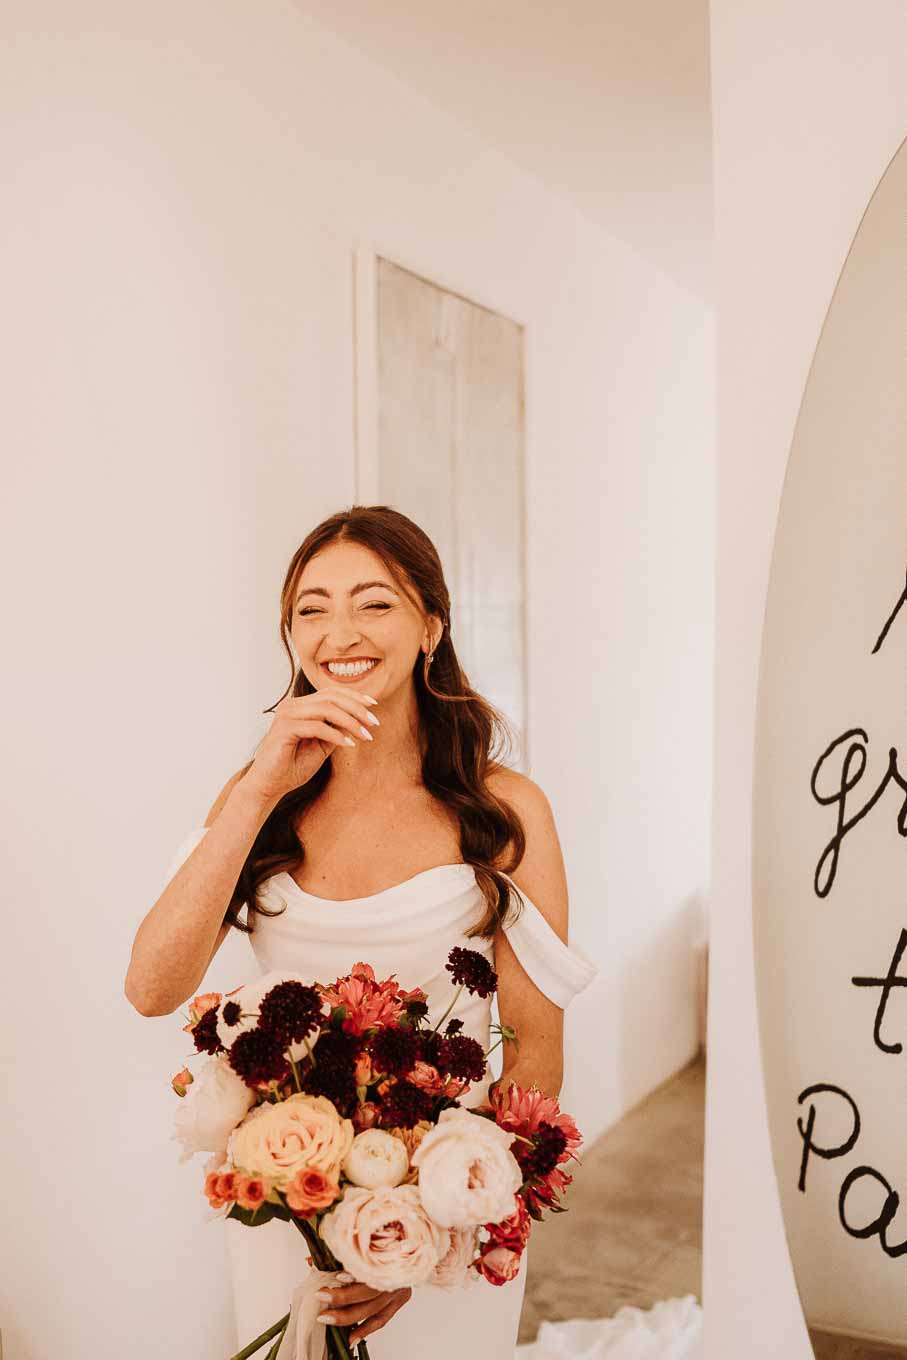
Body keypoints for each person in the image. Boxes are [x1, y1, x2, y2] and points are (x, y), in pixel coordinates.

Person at [125, 504, 598, 1358]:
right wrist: (257, 791)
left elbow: (536, 1048)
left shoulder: (503, 808)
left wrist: (424, 1232)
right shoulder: (258, 795)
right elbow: (151, 988)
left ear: (431, 626)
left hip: (449, 1206)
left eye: (374, 603)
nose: (339, 632)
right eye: (311, 609)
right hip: (284, 1196)